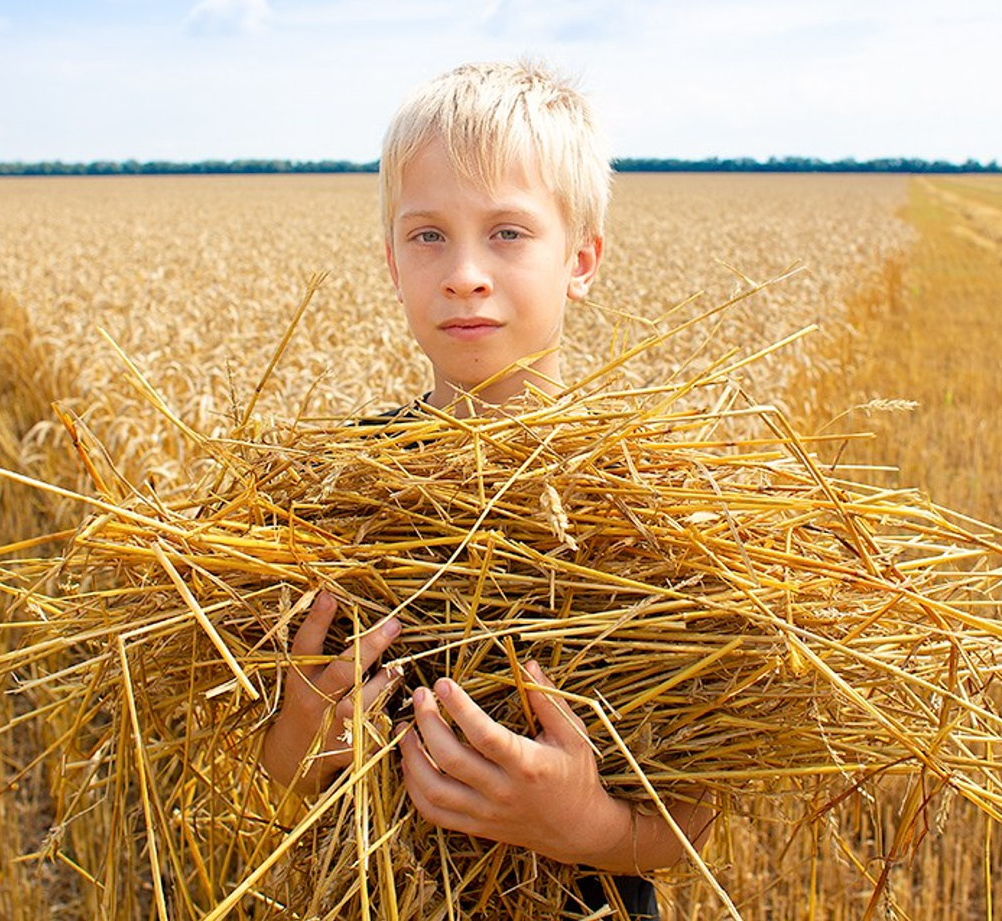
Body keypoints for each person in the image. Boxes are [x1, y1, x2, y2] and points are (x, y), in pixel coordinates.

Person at [261, 60, 711, 918]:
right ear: (392, 261)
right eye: (428, 236)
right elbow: (288, 774)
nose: (463, 271)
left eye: (508, 233)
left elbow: (694, 821)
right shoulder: (333, 488)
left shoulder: (649, 499)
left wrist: (582, 824)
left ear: (581, 259)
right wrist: (300, 737)